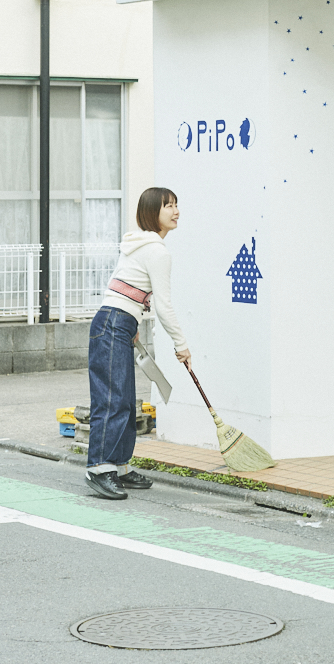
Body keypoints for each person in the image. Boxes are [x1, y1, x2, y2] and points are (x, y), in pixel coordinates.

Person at [85, 187, 193, 500]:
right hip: (113, 323)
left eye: (176, 204)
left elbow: (121, 285)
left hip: (116, 323)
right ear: (152, 212)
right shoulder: (157, 251)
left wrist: (132, 325)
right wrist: (181, 345)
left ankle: (119, 466)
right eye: (168, 206)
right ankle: (99, 468)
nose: (175, 211)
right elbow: (164, 306)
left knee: (125, 399)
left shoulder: (138, 244)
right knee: (112, 399)